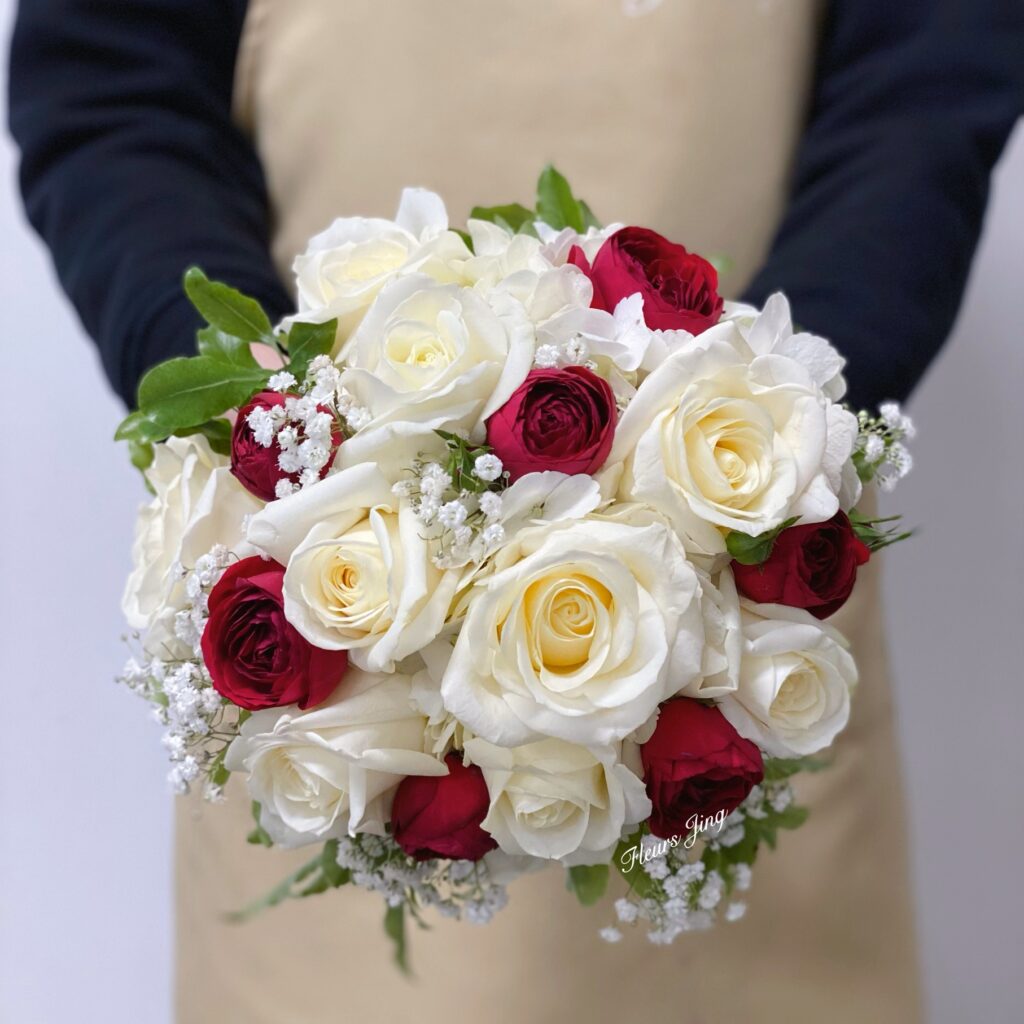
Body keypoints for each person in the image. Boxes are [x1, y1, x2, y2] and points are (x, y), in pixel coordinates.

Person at [9, 1, 1023, 1021]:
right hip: (329, 640)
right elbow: (108, 83)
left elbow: (921, 92)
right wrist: (269, 410)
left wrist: (771, 425)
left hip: (743, 614)